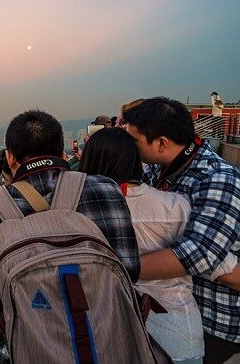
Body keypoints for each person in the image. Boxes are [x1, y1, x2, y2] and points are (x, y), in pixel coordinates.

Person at [79, 127, 238, 363]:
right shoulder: (176, 207)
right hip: (176, 331)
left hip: (108, 329)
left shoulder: (78, 211)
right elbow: (219, 263)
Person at [122, 97, 240, 363]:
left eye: (134, 141)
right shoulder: (158, 169)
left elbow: (197, 255)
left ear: (161, 142)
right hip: (172, 306)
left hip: (213, 319)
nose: (129, 147)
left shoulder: (217, 179)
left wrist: (117, 267)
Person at [0, 110, 140, 281]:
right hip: (106, 306)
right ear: (63, 155)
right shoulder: (106, 189)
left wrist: (9, 187)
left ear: (9, 159)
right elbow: (129, 271)